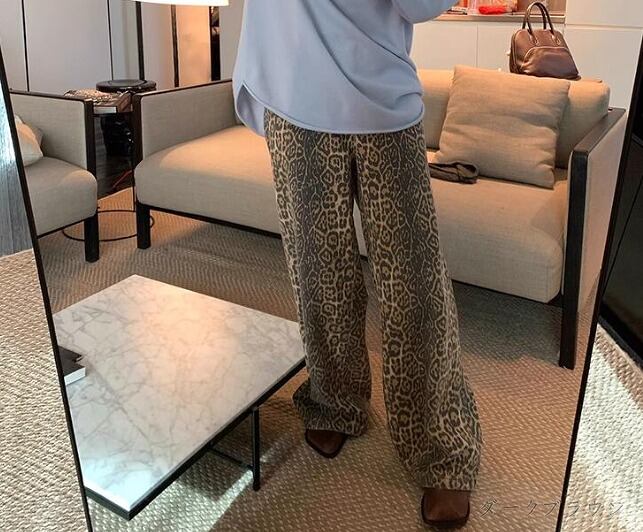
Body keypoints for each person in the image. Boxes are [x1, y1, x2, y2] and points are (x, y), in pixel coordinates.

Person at [233, 1, 482, 528]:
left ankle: (441, 442)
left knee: (413, 283)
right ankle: (334, 399)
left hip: (382, 99)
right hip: (294, 91)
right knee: (318, 273)